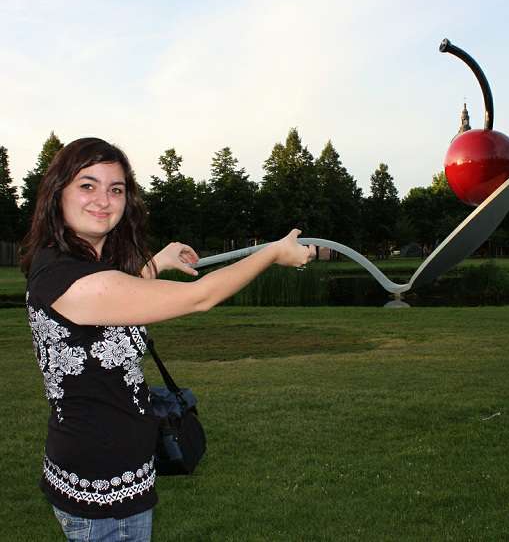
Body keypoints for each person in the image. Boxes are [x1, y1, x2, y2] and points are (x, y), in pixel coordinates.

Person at [21, 137, 315, 542]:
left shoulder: (79, 264)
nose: (103, 200)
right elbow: (200, 297)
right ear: (58, 194)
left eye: (116, 189)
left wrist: (158, 261)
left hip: (119, 468)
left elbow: (114, 299)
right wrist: (271, 254)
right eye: (87, 185)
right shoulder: (63, 275)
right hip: (99, 481)